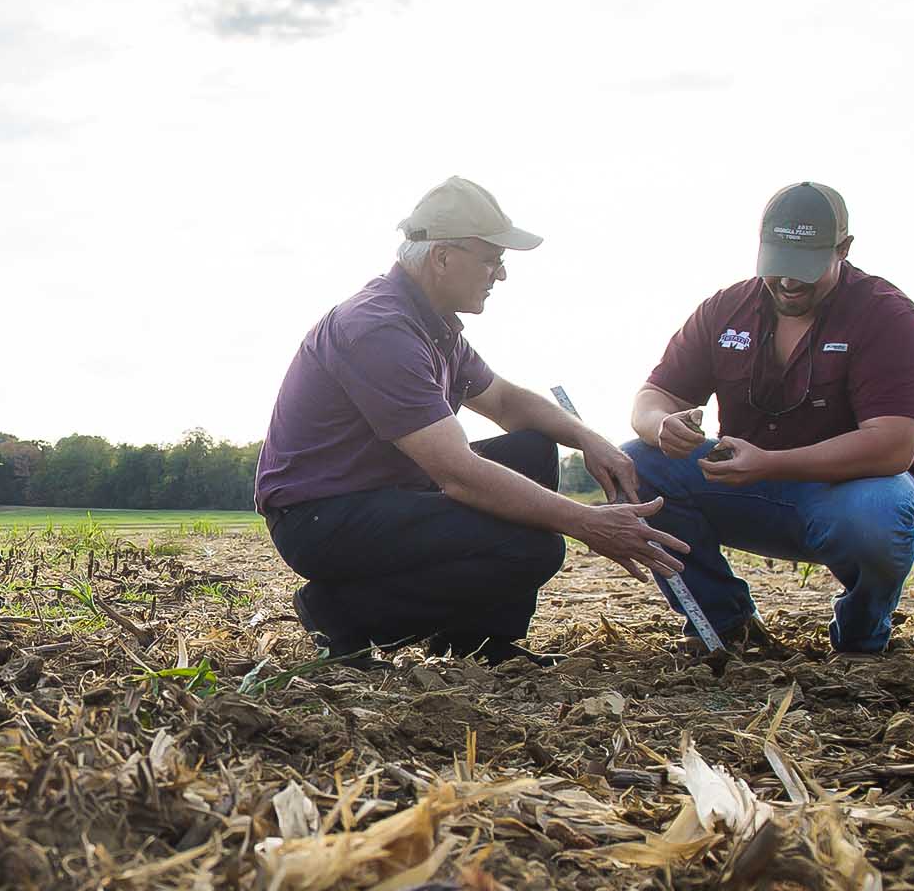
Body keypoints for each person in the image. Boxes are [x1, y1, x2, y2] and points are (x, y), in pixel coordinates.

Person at [255, 176, 688, 666]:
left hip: (379, 496)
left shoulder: (433, 324)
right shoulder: (379, 329)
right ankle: (342, 615)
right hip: (321, 517)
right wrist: (587, 522)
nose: (499, 274)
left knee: (533, 446)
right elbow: (457, 474)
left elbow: (504, 401)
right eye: (490, 259)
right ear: (442, 258)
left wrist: (588, 438)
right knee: (534, 550)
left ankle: (477, 642)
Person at [623, 182, 914, 655]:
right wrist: (660, 424)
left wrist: (771, 463)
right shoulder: (726, 308)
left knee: (879, 515)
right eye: (778, 266)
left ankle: (862, 635)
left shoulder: (888, 318)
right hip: (748, 485)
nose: (789, 282)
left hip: (851, 491)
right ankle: (726, 626)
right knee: (636, 463)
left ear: (843, 249)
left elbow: (893, 445)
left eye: (806, 268)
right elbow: (653, 396)